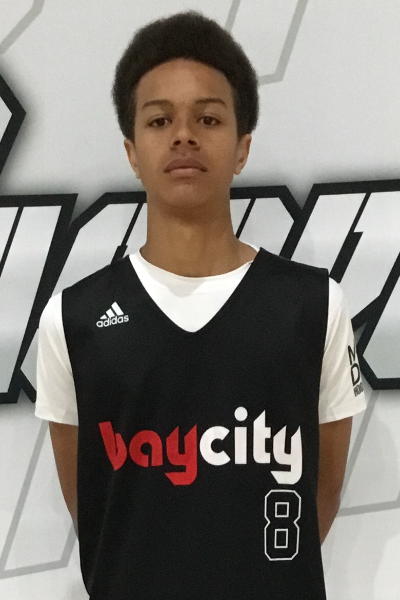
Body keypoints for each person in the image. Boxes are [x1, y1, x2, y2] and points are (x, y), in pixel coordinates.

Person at [35, 10, 367, 599]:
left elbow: (323, 490)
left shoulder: (315, 306)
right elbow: (96, 508)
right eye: (160, 119)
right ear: (132, 151)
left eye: (208, 118)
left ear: (241, 148)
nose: (183, 135)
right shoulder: (74, 319)